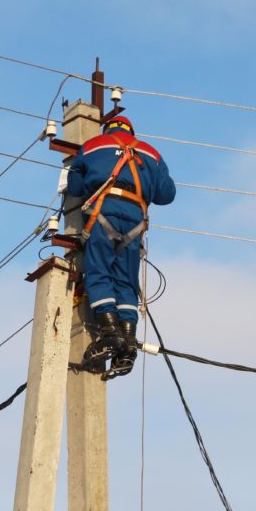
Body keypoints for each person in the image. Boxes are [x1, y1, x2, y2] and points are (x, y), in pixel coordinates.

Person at [66, 115, 176, 377]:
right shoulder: (152, 153)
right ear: (131, 131)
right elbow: (167, 194)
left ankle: (108, 331)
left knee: (98, 272)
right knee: (126, 281)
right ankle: (127, 341)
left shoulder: (93, 146)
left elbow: (74, 185)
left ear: (108, 129)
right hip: (135, 221)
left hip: (103, 214)